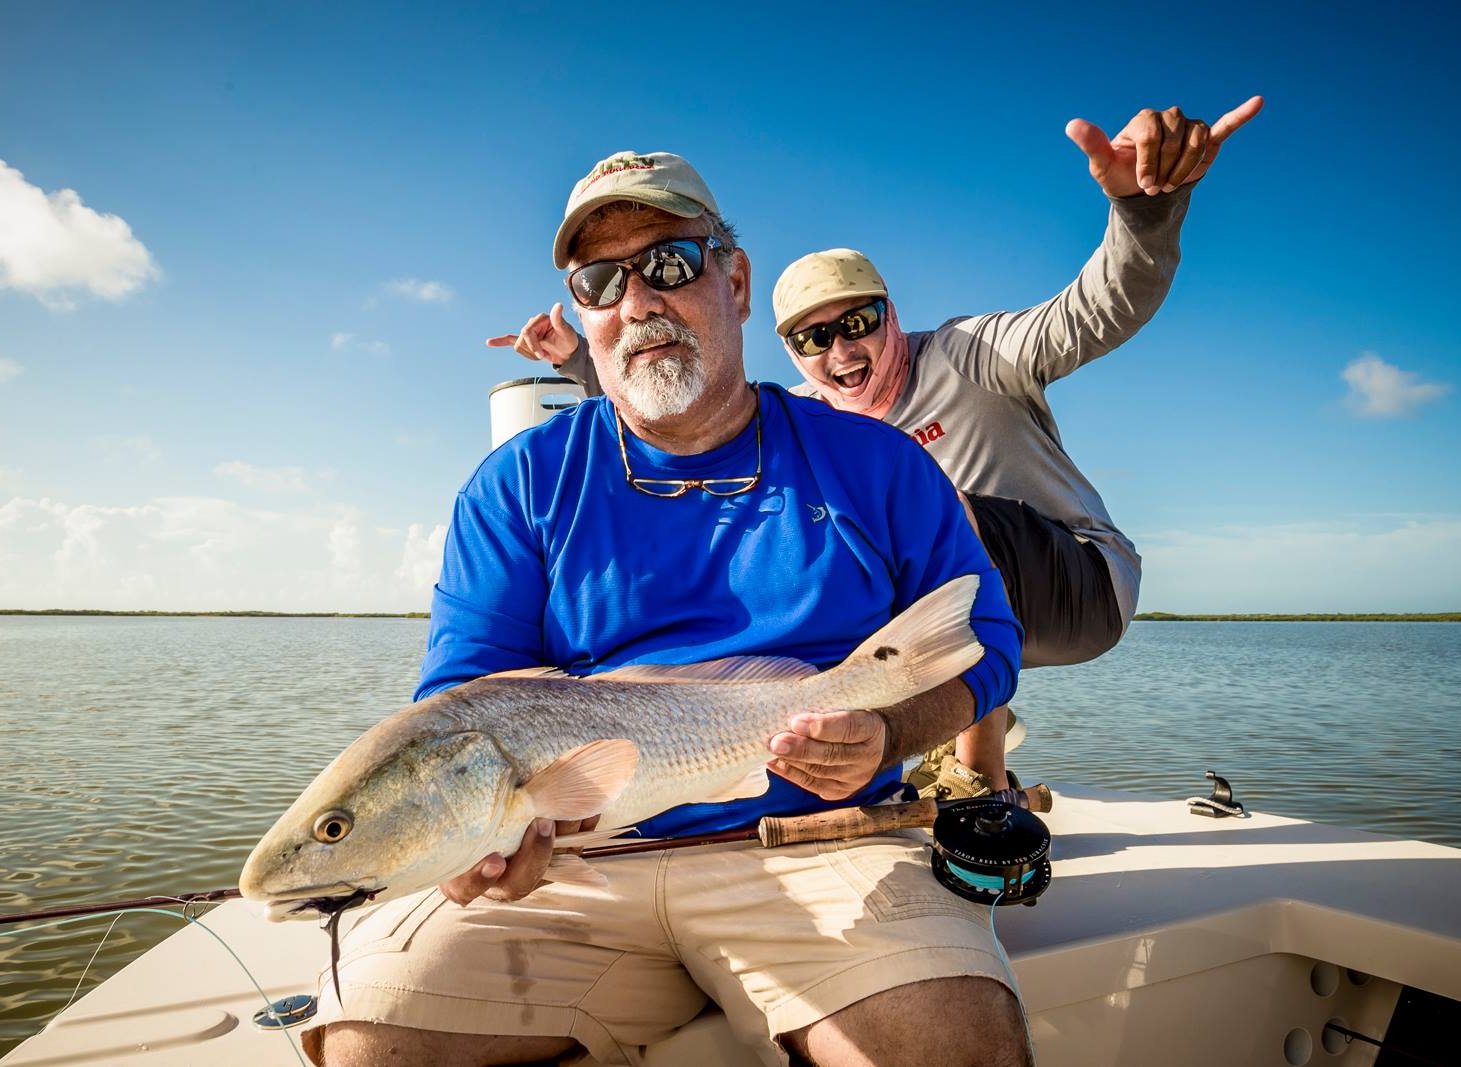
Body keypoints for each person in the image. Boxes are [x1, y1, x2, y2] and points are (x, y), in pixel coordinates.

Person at [308, 151, 1027, 1067]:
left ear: (733, 278)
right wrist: (476, 847)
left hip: (823, 842)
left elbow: (987, 643)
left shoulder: (877, 464)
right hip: (574, 871)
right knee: (370, 1047)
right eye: (601, 280)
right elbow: (467, 696)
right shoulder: (516, 486)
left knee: (952, 1051)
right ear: (582, 316)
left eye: (671, 264)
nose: (637, 300)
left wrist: (889, 734)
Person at [491, 99, 1263, 804]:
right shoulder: (817, 426)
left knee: (930, 502)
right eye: (813, 337)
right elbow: (677, 394)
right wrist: (578, 363)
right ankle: (908, 740)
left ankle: (975, 779)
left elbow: (1098, 309)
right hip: (958, 619)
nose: (842, 348)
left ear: (892, 314)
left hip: (1077, 581)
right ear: (789, 349)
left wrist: (1144, 214)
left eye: (858, 320)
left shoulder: (971, 354)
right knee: (841, 554)